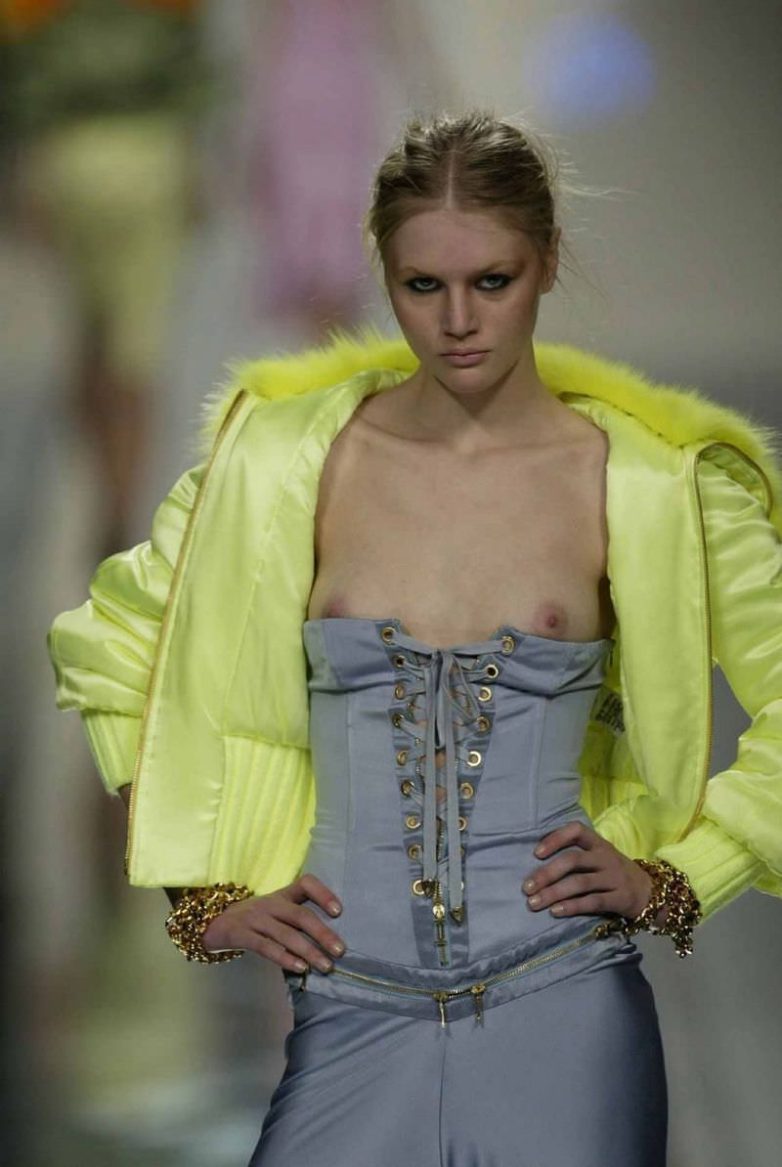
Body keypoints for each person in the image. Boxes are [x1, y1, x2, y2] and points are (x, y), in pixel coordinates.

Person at [47, 110, 782, 1166]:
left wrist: (681, 874)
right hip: (346, 1004)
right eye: (422, 285)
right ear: (383, 275)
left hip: (564, 1003)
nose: (458, 322)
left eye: (493, 281)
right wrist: (201, 893)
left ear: (547, 263)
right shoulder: (285, 467)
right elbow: (111, 644)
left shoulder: (645, 486)